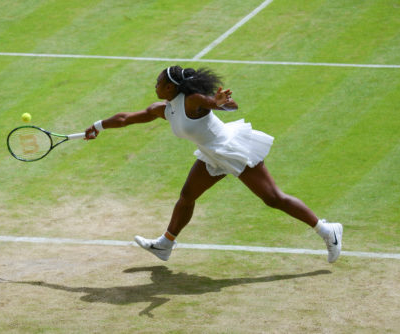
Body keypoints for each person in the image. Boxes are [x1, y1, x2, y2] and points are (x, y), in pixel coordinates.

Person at [84, 66, 343, 263]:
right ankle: (165, 244)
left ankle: (327, 230)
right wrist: (97, 126)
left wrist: (219, 103)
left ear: (172, 88)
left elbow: (215, 104)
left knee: (273, 199)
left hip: (232, 148)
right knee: (187, 196)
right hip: (212, 154)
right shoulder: (165, 108)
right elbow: (127, 118)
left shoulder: (193, 100)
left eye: (159, 82)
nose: (156, 85)